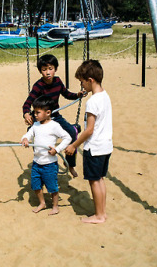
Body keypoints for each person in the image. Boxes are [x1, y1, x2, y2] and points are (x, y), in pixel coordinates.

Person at [22, 54, 87, 178]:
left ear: (55, 69)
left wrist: (77, 95)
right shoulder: (38, 86)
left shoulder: (57, 81)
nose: (47, 72)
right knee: (31, 133)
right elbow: (27, 103)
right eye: (44, 69)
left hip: (55, 116)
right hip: (40, 119)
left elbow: (66, 94)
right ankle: (41, 162)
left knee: (73, 134)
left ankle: (70, 164)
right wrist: (26, 113)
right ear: (40, 71)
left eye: (50, 68)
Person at [65, 60, 112, 224]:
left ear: (90, 80)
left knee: (94, 181)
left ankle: (99, 215)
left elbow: (89, 129)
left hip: (95, 147)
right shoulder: (104, 95)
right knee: (100, 179)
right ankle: (102, 212)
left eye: (82, 82)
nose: (81, 85)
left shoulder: (92, 101)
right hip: (106, 146)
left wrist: (74, 145)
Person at [21, 95, 72, 215]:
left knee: (52, 187)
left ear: (48, 112)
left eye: (38, 112)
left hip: (49, 164)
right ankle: (42, 203)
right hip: (37, 163)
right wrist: (25, 139)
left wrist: (57, 149)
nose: (35, 115)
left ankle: (55, 206)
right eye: (34, 112)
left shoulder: (54, 125)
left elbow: (67, 137)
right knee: (35, 185)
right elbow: (28, 134)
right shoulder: (36, 125)